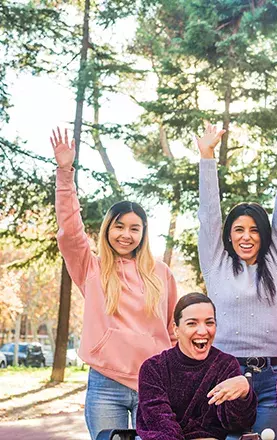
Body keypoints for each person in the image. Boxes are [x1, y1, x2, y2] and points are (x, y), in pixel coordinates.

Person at [50, 128, 178, 439]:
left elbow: (174, 331)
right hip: (106, 383)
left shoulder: (161, 273)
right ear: (108, 228)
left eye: (135, 228)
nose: (125, 234)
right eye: (119, 226)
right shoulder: (91, 267)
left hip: (156, 383)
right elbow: (70, 230)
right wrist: (65, 173)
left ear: (143, 234)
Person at [196, 123, 277, 440]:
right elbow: (209, 214)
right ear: (228, 234)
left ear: (264, 235)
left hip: (269, 378)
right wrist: (207, 156)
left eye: (254, 229)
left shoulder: (274, 262)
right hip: (223, 373)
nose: (246, 236)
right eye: (239, 229)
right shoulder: (215, 263)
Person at [137, 292, 257, 440]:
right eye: (192, 323)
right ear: (176, 329)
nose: (202, 331)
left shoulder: (226, 365)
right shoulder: (153, 368)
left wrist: (244, 394)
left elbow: (237, 425)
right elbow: (161, 425)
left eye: (209, 323)